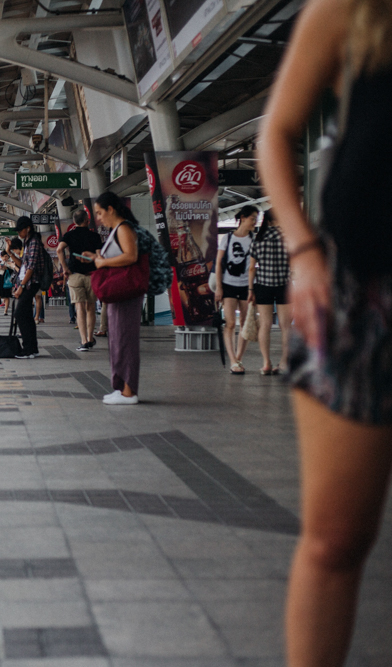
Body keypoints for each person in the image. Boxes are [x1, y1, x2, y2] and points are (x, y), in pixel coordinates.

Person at [259, 1, 392, 664]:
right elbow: (276, 131)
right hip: (357, 297)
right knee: (335, 540)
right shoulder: (353, 9)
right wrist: (305, 252)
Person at [80, 192, 143, 405]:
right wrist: (97, 258)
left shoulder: (124, 228)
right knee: (118, 339)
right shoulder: (117, 229)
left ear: (111, 210)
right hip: (119, 293)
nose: (98, 218)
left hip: (126, 293)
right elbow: (119, 258)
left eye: (99, 212)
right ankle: (121, 387)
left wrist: (103, 263)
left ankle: (129, 392)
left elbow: (130, 256)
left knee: (125, 340)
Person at [215, 205, 259, 374]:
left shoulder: (254, 239)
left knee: (245, 323)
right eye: (252, 218)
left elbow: (254, 266)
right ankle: (233, 359)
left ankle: (239, 358)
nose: (254, 222)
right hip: (228, 284)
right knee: (231, 323)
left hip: (246, 285)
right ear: (243, 218)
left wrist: (252, 288)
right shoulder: (227, 238)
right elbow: (219, 263)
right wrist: (219, 287)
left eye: (256, 218)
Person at [248, 209, 292, 375]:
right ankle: (284, 363)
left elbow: (252, 268)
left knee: (265, 325)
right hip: (284, 285)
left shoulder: (258, 239)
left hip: (263, 286)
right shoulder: (287, 237)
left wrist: (250, 289)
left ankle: (266, 363)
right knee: (286, 326)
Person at [58, 209, 103, 351]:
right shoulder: (95, 236)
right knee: (91, 307)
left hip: (75, 275)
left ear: (74, 222)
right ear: (87, 220)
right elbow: (99, 256)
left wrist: (65, 267)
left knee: (79, 307)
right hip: (91, 275)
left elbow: (59, 249)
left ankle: (83, 341)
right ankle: (90, 338)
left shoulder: (69, 235)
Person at [12, 216, 49, 359]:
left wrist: (21, 286)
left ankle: (28, 349)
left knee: (20, 313)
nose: (18, 234)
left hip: (31, 283)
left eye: (20, 230)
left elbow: (31, 267)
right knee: (26, 315)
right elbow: (23, 264)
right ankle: (32, 349)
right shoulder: (28, 242)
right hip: (27, 283)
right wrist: (9, 252)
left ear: (27, 228)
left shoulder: (33, 242)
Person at [0, 245, 19, 316]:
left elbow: (14, 272)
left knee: (6, 296)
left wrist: (6, 268)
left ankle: (5, 311)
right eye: (3, 256)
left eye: (6, 256)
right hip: (0, 279)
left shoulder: (11, 262)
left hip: (7, 280)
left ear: (8, 256)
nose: (5, 258)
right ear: (1, 257)